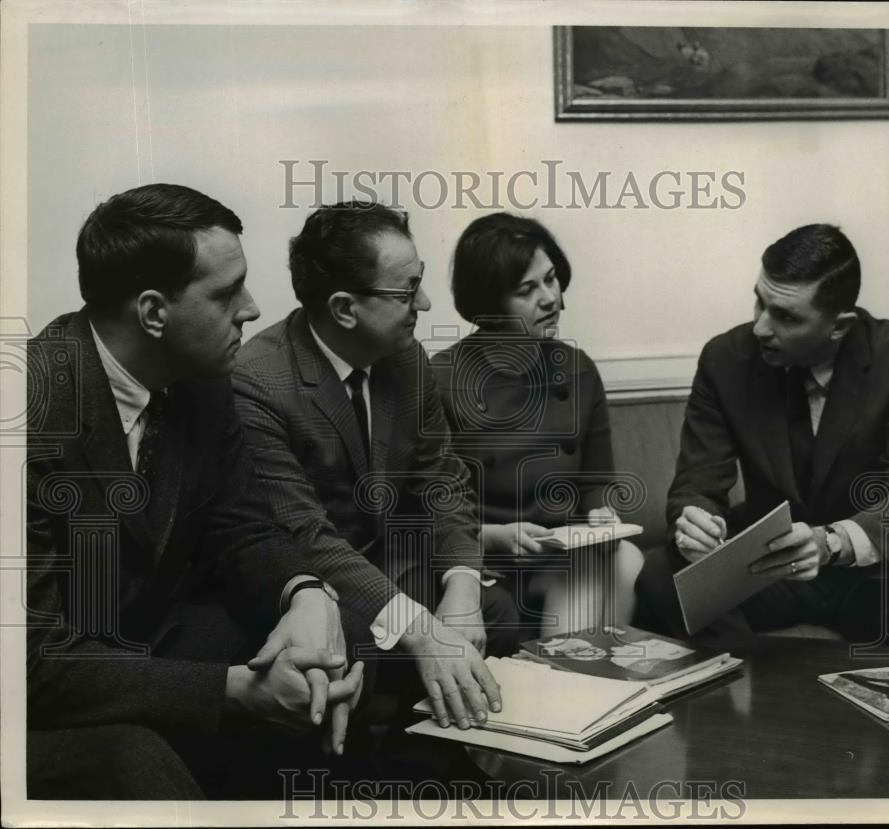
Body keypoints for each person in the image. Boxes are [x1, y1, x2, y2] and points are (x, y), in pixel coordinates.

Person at [25, 184, 367, 799]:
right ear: (154, 313)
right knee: (133, 762)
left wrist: (309, 596)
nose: (254, 309)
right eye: (227, 293)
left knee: (339, 652)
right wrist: (232, 690)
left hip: (146, 640)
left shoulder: (202, 384)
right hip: (41, 689)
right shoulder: (25, 412)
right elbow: (31, 661)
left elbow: (244, 528)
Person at [232, 201, 517, 734]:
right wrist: (422, 630)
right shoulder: (258, 383)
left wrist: (461, 590)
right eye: (406, 292)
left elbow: (444, 482)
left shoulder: (405, 358)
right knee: (353, 662)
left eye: (421, 283)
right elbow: (308, 537)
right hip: (319, 593)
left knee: (494, 611)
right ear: (345, 308)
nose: (425, 303)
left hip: (397, 571)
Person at [634, 223, 889, 649]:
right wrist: (695, 519)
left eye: (786, 316)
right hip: (771, 565)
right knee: (662, 578)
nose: (760, 327)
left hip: (873, 570)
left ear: (839, 326)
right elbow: (696, 483)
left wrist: (832, 542)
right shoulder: (725, 359)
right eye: (760, 302)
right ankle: (752, 690)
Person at [430, 213, 644, 639]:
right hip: (486, 560)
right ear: (488, 306)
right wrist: (495, 537)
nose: (550, 298)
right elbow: (431, 506)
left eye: (551, 279)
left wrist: (601, 511)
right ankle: (578, 684)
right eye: (527, 290)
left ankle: (575, 684)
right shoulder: (442, 379)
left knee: (622, 558)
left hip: (560, 554)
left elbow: (596, 481)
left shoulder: (578, 369)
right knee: (605, 569)